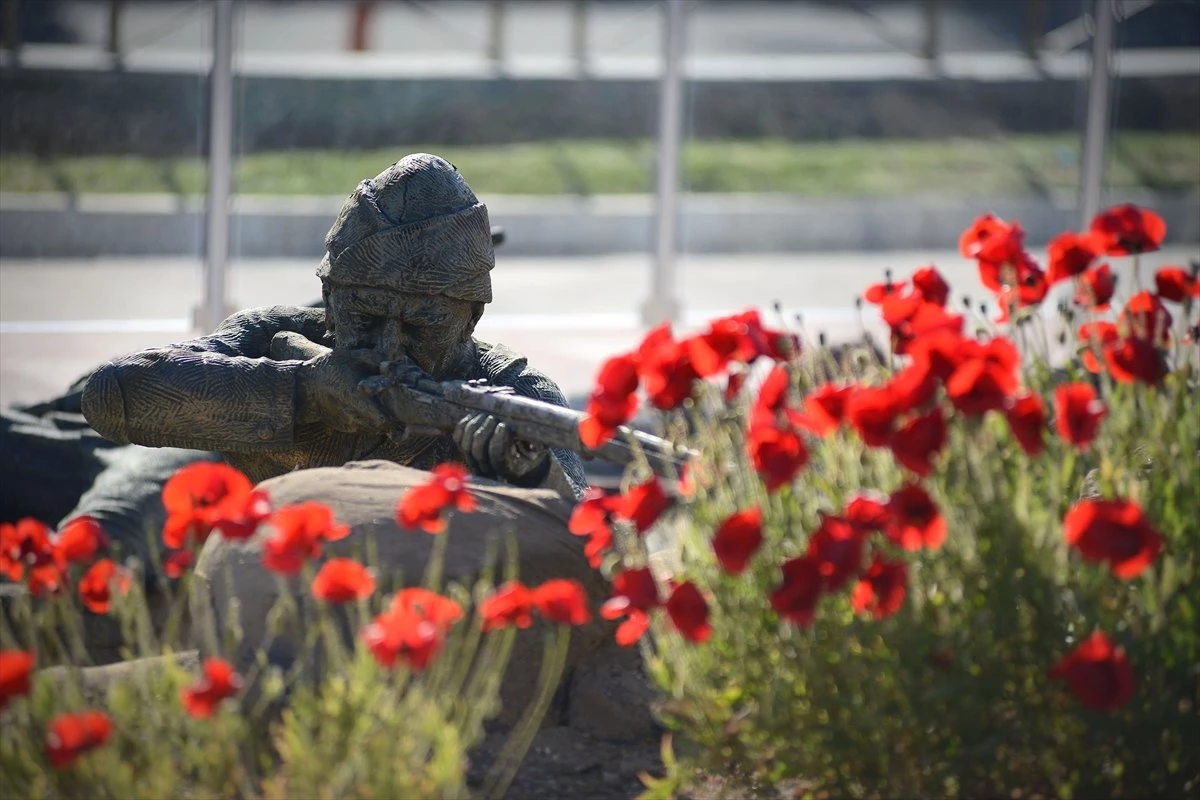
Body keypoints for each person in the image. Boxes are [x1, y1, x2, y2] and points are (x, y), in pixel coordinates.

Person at [82, 154, 587, 500]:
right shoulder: (267, 338)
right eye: (364, 317)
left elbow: (597, 547)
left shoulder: (517, 393)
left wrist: (534, 472)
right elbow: (108, 397)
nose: (389, 346)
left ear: (471, 317)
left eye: (420, 325)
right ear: (328, 297)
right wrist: (307, 391)